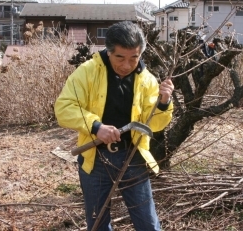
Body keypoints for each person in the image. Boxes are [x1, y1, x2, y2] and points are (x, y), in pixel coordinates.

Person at [54, 21, 174, 231]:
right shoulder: (88, 72)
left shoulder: (147, 80)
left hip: (133, 156)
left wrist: (163, 103)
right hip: (95, 156)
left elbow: (154, 124)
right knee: (97, 220)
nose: (127, 65)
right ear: (109, 51)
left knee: (148, 221)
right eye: (120, 57)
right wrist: (96, 126)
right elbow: (64, 108)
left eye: (134, 58)